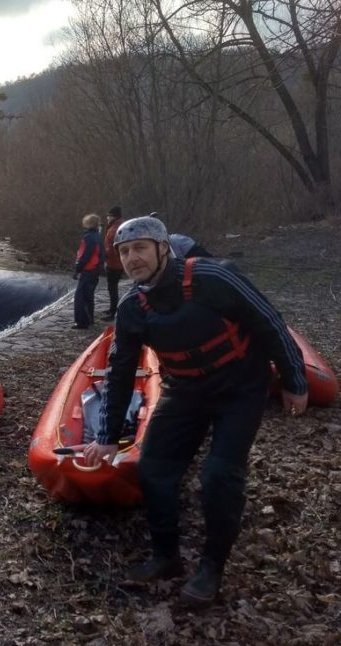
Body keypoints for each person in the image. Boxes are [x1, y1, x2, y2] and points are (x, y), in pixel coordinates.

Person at [80, 216, 308, 607]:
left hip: (240, 387)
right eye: (124, 252)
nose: (132, 258)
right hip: (184, 390)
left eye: (140, 248)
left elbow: (269, 321)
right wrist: (105, 437)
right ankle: (165, 555)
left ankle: (211, 569)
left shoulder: (213, 277)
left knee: (219, 476)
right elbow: (119, 375)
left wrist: (295, 381)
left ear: (162, 248)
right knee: (153, 468)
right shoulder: (133, 307)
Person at [73, 213, 105, 329]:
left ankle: (82, 322)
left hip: (88, 270)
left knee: (80, 297)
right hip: (95, 270)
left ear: (88, 224)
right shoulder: (98, 236)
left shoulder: (88, 237)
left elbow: (85, 255)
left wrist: (77, 269)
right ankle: (90, 320)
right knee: (89, 296)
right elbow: (101, 255)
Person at [102, 206, 125, 319]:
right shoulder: (118, 225)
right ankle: (112, 308)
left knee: (112, 287)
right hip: (115, 262)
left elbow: (112, 247)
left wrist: (105, 258)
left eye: (109, 216)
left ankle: (113, 312)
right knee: (112, 287)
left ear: (114, 216)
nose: (107, 218)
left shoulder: (116, 228)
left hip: (114, 263)